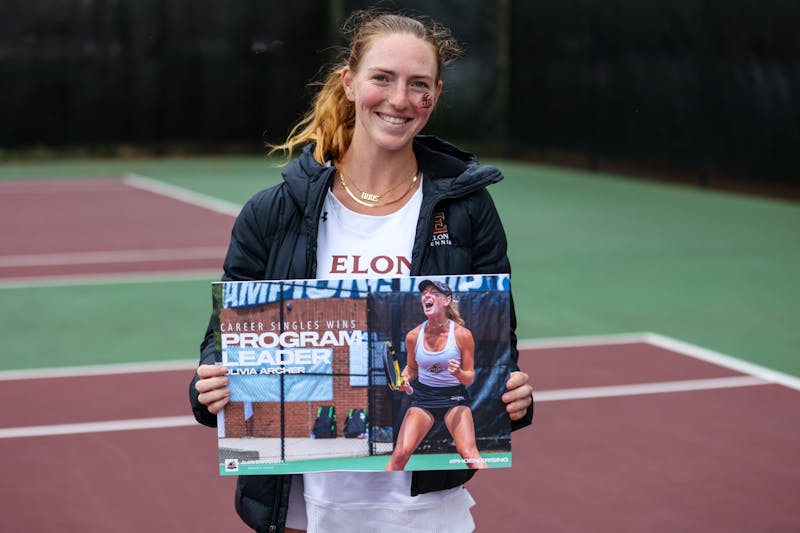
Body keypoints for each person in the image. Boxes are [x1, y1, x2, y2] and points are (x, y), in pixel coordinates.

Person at [190, 10, 533, 533]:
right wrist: (210, 384)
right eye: (382, 78)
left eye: (418, 85)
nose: (399, 100)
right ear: (349, 83)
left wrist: (510, 396)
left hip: (424, 511)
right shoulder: (273, 211)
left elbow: (495, 346)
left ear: (434, 96)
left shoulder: (469, 211)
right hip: (307, 507)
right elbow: (225, 338)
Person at [386, 280, 487, 472]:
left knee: (468, 454)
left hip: (454, 398)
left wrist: (458, 372)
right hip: (423, 399)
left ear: (447, 300)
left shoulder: (462, 335)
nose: (427, 296)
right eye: (424, 293)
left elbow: (469, 378)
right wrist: (404, 379)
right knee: (399, 455)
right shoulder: (413, 336)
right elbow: (411, 369)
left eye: (434, 293)